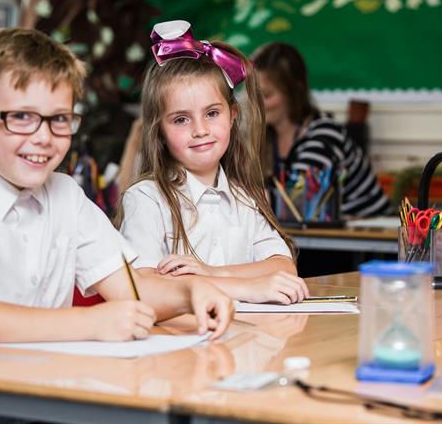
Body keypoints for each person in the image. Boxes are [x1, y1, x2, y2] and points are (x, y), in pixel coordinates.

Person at [0, 27, 233, 424]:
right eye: (21, 117)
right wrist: (89, 322)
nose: (43, 137)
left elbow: (132, 290)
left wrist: (189, 291)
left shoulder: (66, 195)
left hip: (46, 397)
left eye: (59, 119)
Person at [117, 20, 308, 305]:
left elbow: (284, 267)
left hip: (246, 331)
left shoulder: (245, 197)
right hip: (180, 333)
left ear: (232, 115)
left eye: (212, 113)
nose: (200, 130)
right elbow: (141, 288)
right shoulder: (146, 199)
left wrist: (210, 274)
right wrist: (246, 287)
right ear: (159, 131)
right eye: (181, 119)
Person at [250, 42, 389, 217]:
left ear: (294, 91)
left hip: (370, 232)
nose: (257, 102)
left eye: (266, 94)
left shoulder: (325, 134)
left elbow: (297, 203)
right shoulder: (267, 136)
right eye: (253, 93)